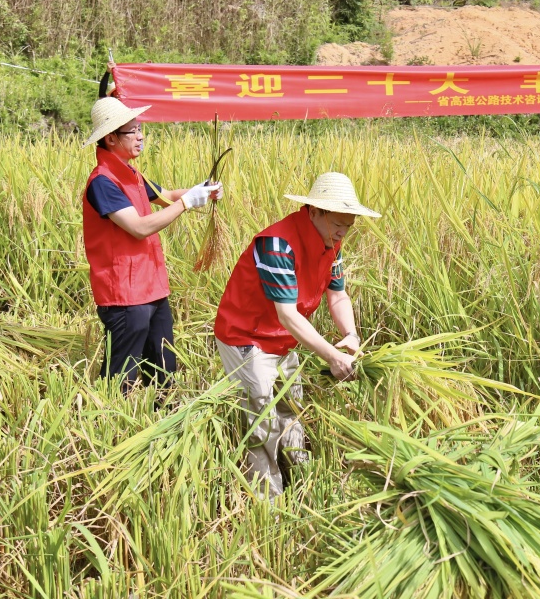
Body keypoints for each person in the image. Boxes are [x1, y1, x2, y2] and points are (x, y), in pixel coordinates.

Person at [214, 171, 381, 497]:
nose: (343, 232)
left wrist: (351, 335)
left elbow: (338, 295)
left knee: (291, 407)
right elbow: (287, 314)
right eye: (338, 223)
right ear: (314, 211)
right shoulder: (277, 245)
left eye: (350, 224)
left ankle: (303, 482)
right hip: (248, 337)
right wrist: (332, 356)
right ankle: (269, 503)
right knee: (261, 418)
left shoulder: (332, 243)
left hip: (285, 338)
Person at [82, 96, 223, 393]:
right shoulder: (103, 182)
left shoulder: (131, 174)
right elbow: (138, 227)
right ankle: (114, 429)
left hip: (153, 288)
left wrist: (202, 191)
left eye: (139, 128)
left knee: (163, 369)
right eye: (132, 131)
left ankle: (162, 422)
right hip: (124, 294)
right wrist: (187, 203)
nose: (140, 135)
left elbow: (166, 195)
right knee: (123, 378)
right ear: (110, 139)